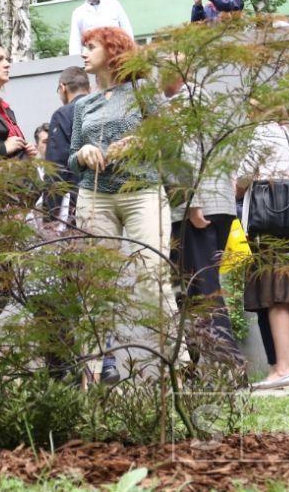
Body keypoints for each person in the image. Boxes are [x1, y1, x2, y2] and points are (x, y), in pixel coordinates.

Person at [69, 26, 180, 376]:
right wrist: (83, 152)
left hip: (141, 193)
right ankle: (94, 371)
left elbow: (170, 143)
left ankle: (177, 367)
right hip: (94, 195)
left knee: (152, 276)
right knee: (96, 282)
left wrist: (140, 142)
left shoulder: (143, 92)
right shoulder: (83, 103)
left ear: (113, 50)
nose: (84, 53)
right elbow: (70, 157)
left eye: (91, 47)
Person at [162, 64, 243, 371]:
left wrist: (191, 202)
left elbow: (185, 153)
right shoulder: (210, 99)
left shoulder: (183, 103)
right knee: (197, 287)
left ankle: (229, 366)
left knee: (200, 289)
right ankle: (197, 365)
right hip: (219, 204)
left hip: (196, 207)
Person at [237, 123, 289, 389]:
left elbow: (242, 178)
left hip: (268, 222)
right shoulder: (286, 133)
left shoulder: (262, 131)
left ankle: (281, 368)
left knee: (275, 295)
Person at [45, 66, 91, 222]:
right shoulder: (101, 109)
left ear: (62, 88)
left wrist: (50, 214)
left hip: (79, 200)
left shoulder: (63, 115)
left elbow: (56, 168)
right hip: (111, 196)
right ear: (89, 88)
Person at [67, 0, 133, 55]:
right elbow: (75, 39)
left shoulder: (113, 4)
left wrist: (130, 51)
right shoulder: (78, 12)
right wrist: (75, 62)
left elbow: (126, 28)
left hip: (115, 52)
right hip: (93, 55)